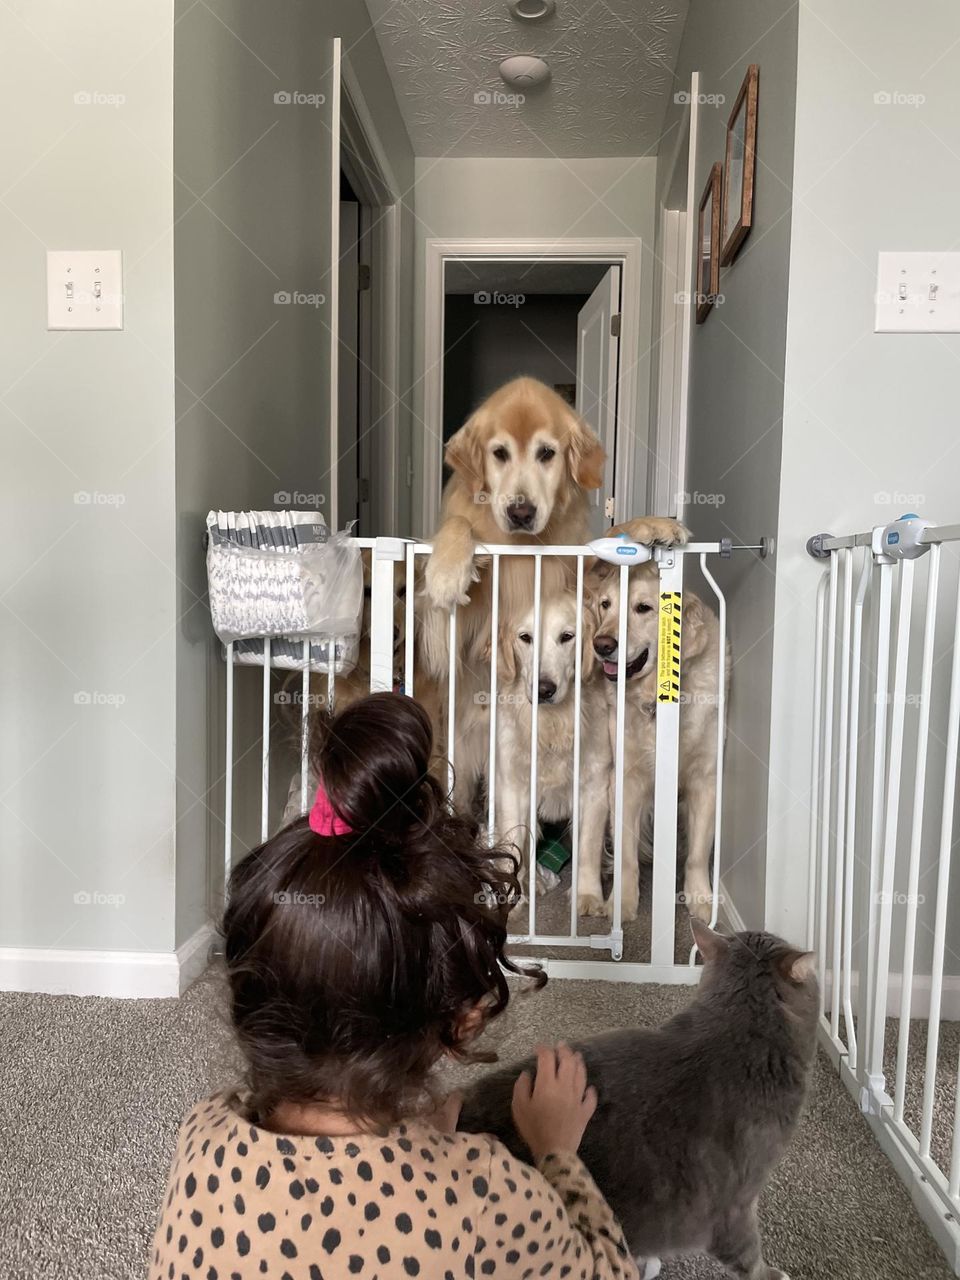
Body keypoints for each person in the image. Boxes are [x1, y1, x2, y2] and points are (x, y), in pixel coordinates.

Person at [150, 692, 637, 1279]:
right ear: (465, 1017)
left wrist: (416, 1147)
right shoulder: (488, 1195)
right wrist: (556, 1152)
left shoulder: (202, 1139)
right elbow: (610, 1271)